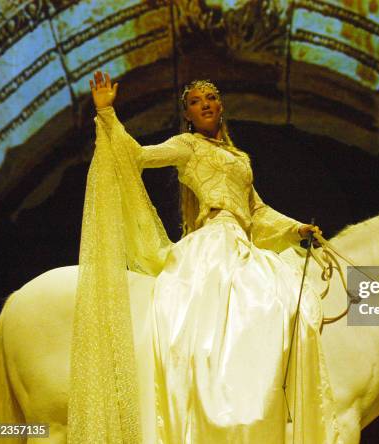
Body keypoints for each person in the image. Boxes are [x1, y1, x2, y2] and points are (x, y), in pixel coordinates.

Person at [67, 70, 342, 443]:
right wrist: (107, 113)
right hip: (213, 242)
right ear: (189, 116)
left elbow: (256, 212)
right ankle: (206, 399)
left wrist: (295, 229)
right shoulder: (188, 145)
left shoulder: (239, 158)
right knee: (213, 318)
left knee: (283, 301)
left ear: (221, 106)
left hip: (242, 241)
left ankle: (256, 398)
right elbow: (137, 156)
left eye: (209, 99)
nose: (204, 105)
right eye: (195, 102)